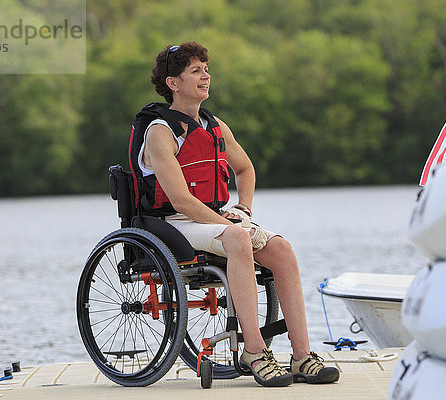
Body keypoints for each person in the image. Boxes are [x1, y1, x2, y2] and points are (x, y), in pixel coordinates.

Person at [130, 41, 339, 387]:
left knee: (282, 250)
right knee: (238, 237)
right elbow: (181, 201)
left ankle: (302, 356)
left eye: (206, 69)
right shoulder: (159, 132)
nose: (205, 75)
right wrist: (228, 222)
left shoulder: (215, 126)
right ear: (173, 83)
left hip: (213, 217)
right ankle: (254, 352)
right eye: (195, 71)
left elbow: (244, 169)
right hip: (173, 223)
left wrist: (243, 208)